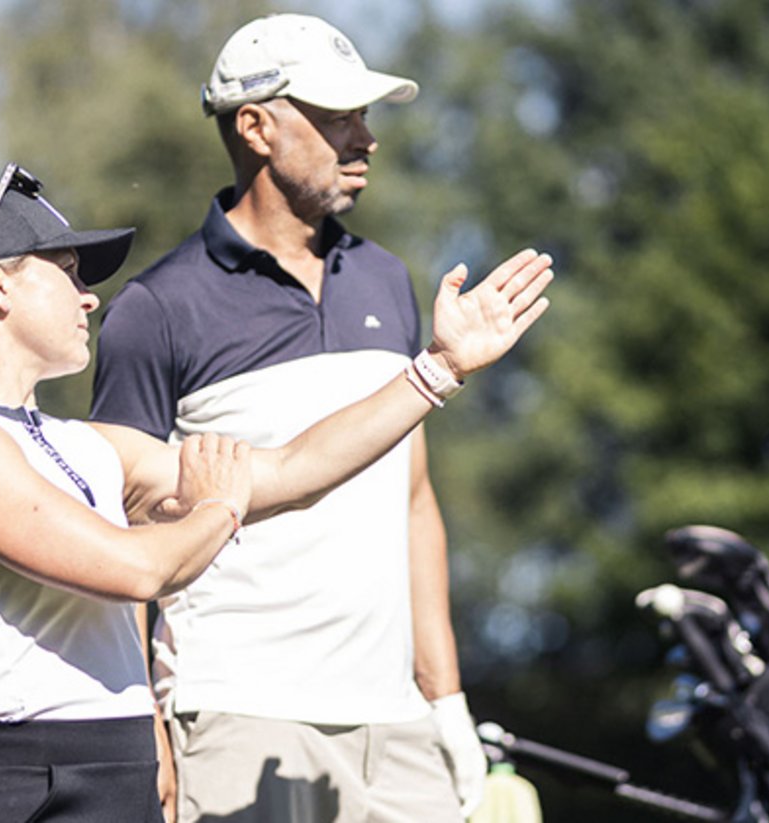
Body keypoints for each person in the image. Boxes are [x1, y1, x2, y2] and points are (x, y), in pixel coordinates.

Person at [0, 163, 552, 822]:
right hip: (20, 782)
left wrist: (438, 368)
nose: (89, 298)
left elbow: (290, 470)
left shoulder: (80, 443)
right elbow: (137, 569)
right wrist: (218, 505)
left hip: (113, 780)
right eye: (69, 272)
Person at [89, 13, 527, 822]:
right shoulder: (156, 308)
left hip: (397, 726)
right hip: (238, 714)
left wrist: (447, 702)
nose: (365, 137)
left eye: (363, 116)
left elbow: (414, 500)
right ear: (255, 126)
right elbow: (118, 537)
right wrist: (145, 724)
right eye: (337, 118)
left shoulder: (388, 280)